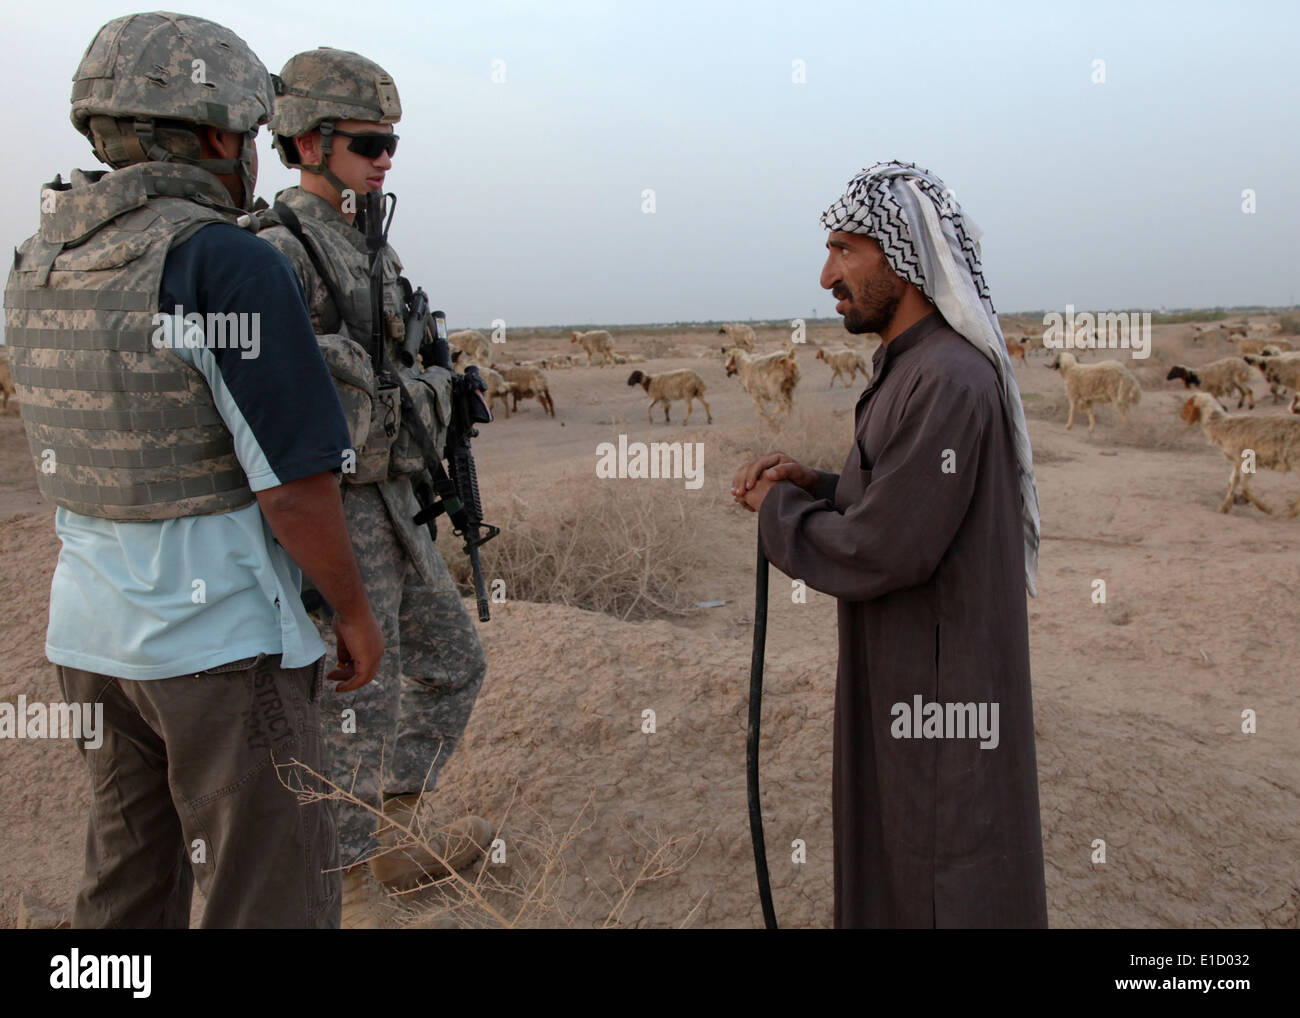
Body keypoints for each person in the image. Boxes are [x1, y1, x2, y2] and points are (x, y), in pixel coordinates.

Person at [2, 12, 383, 928]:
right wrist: (353, 609)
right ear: (220, 132)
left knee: (126, 889)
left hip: (91, 645)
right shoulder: (222, 261)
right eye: (252, 135)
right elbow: (292, 489)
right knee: (271, 896)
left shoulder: (40, 259)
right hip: (218, 648)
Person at [732, 162, 1048, 928]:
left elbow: (887, 549)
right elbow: (905, 497)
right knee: (905, 854)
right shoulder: (915, 369)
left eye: (845, 250)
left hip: (943, 694)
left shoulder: (945, 378)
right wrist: (816, 483)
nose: (825, 275)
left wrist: (778, 512)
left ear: (903, 259)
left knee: (945, 867)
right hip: (914, 677)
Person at [254, 48, 490, 927]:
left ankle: (394, 831)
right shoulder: (280, 253)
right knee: (359, 697)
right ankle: (349, 889)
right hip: (333, 509)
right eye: (368, 141)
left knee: (453, 663)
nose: (386, 156)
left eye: (392, 142)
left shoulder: (369, 245)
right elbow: (304, 402)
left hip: (395, 502)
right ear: (309, 143)